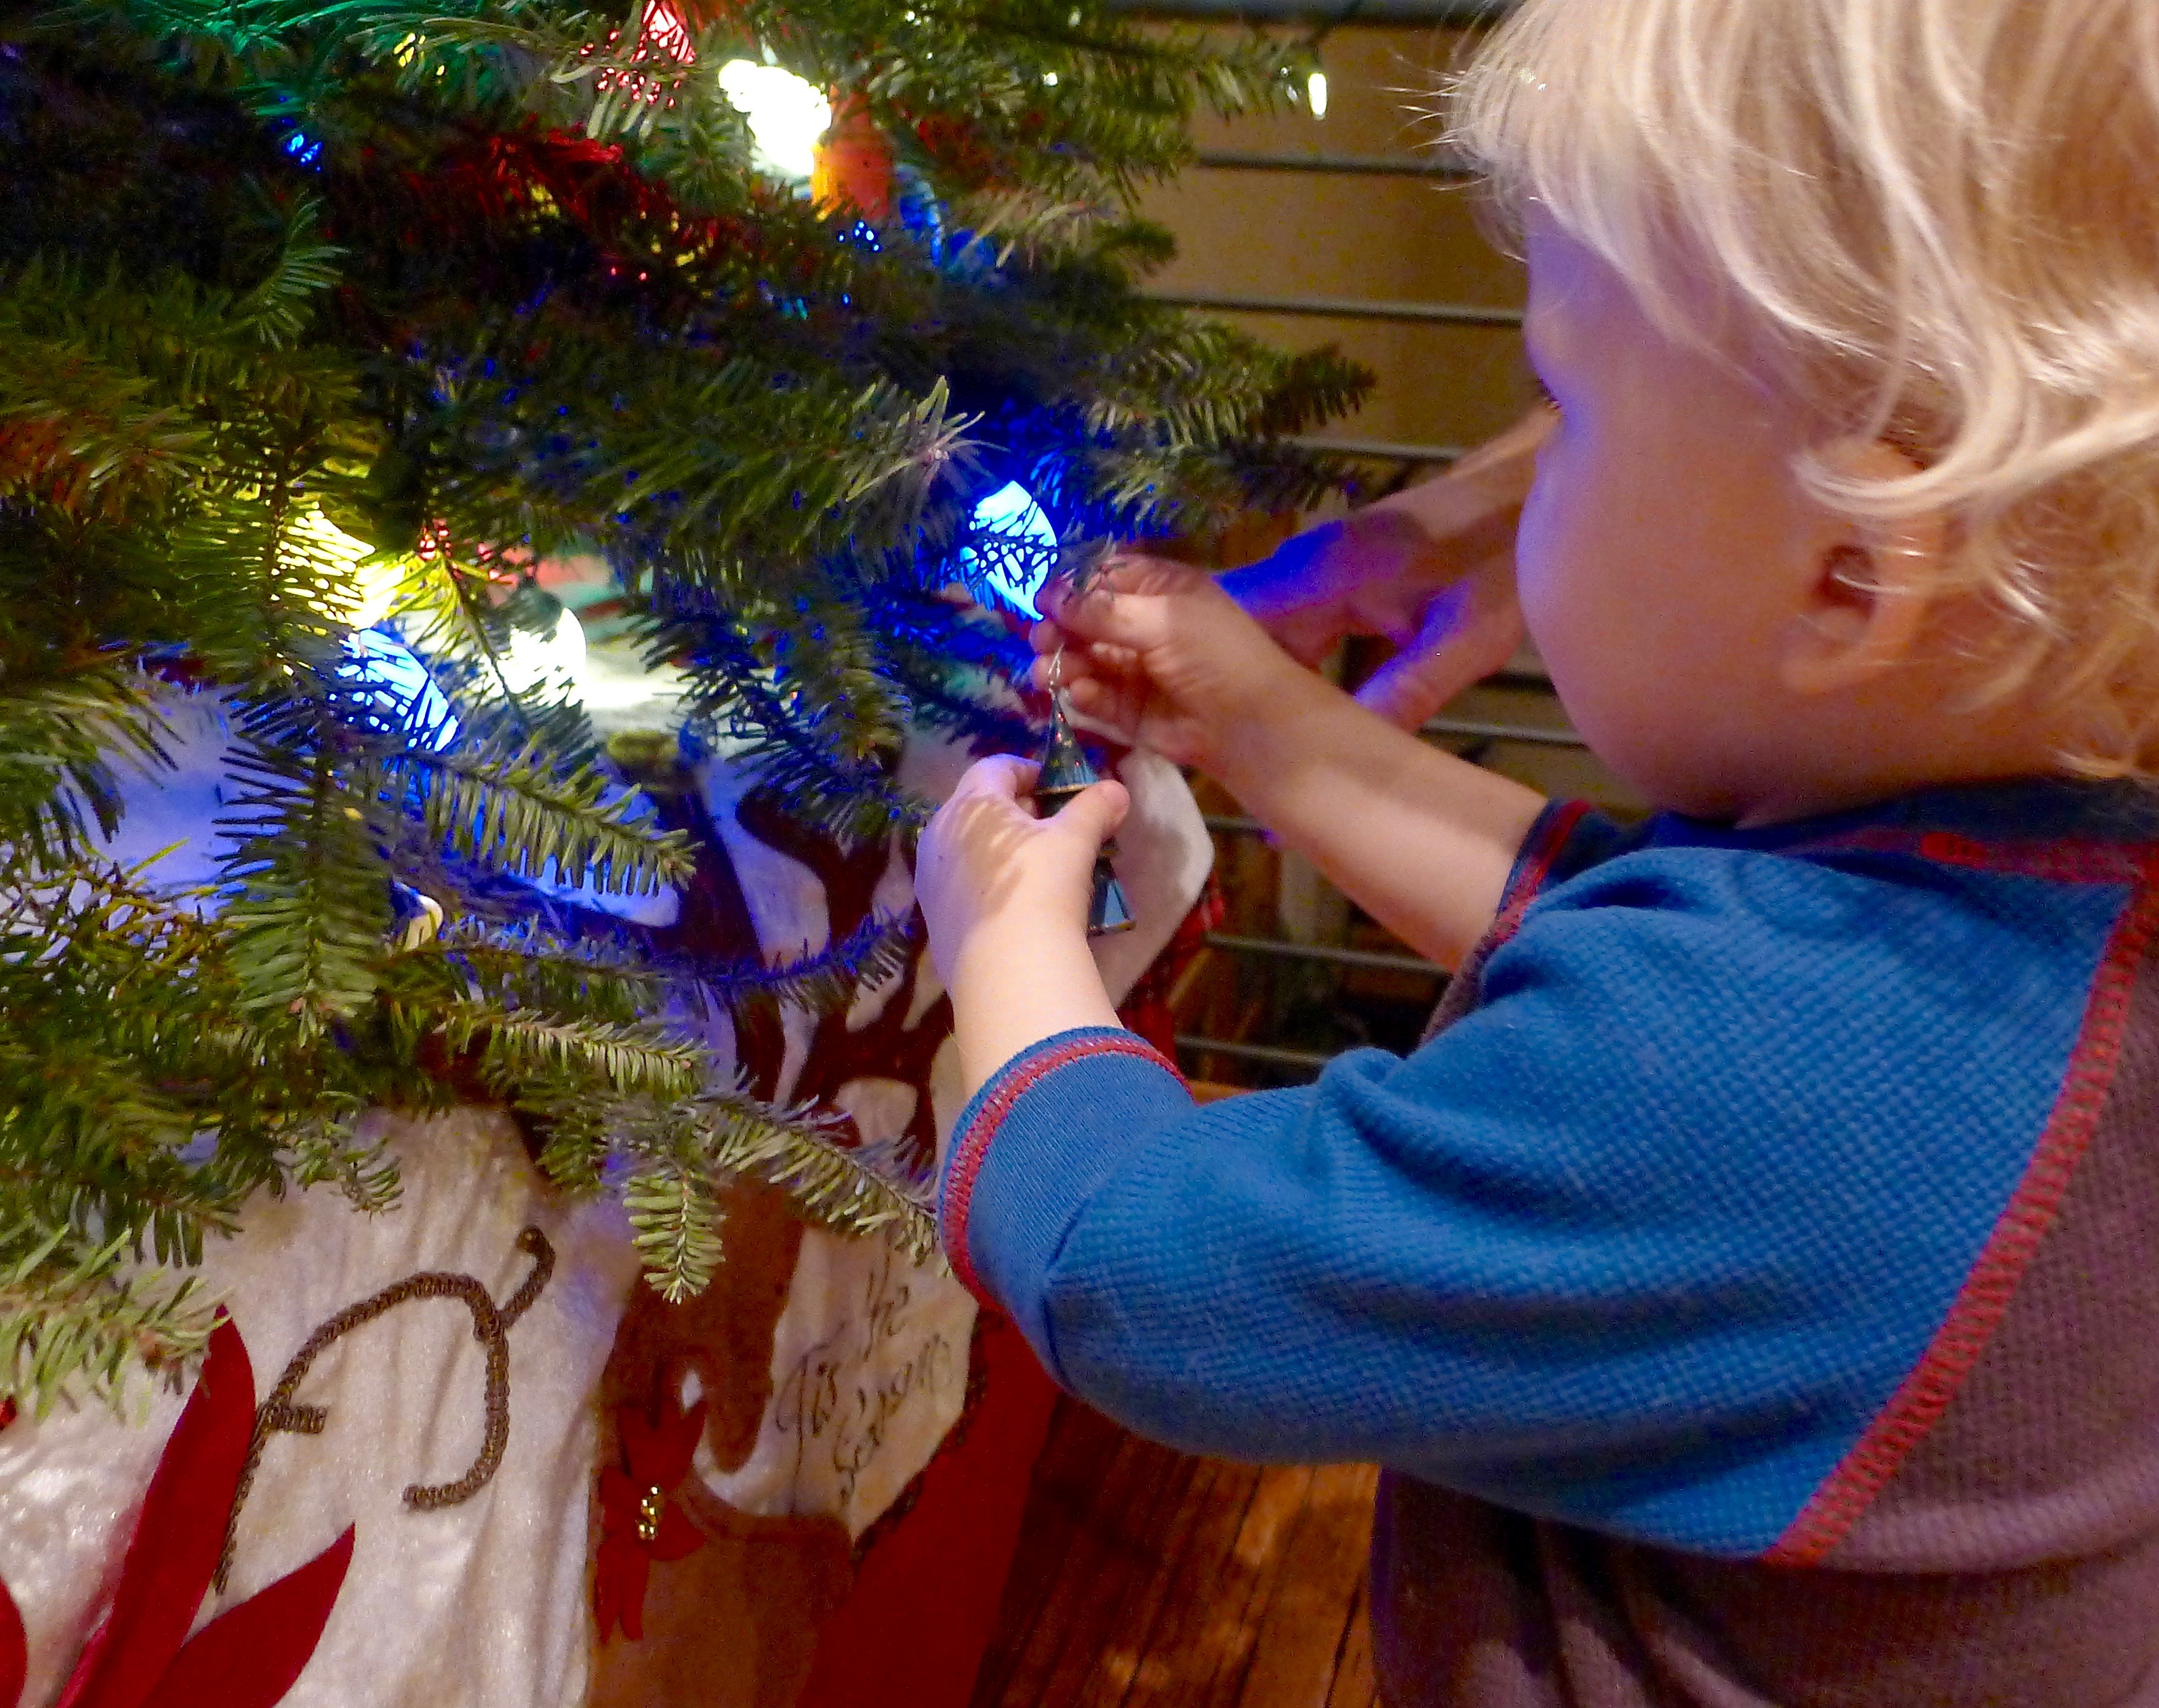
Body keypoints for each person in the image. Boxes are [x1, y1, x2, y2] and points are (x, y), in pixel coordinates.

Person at [914, 1, 2159, 1701]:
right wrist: (1267, 722)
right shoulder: (2039, 917)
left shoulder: (1742, 1083)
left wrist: (1004, 945)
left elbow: (1133, 1271)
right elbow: (1629, 927)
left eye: (1556, 408)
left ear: (1853, 579)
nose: (1515, 475)